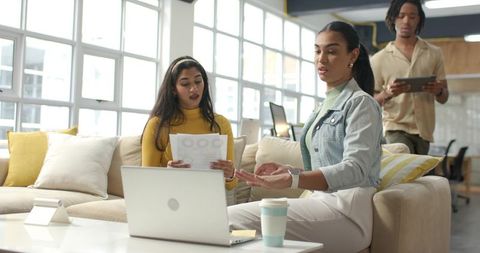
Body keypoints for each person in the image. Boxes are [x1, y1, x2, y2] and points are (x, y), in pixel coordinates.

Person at [228, 21, 382, 253]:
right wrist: (291, 171)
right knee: (237, 234)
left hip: (345, 212)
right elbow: (328, 165)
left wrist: (293, 180)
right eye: (318, 50)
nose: (321, 59)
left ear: (353, 55)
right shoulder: (324, 105)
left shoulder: (361, 103)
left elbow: (356, 169)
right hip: (319, 203)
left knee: (228, 220)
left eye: (331, 51)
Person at [141, 56, 237, 190]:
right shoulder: (157, 125)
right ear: (173, 89)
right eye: (185, 84)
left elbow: (231, 185)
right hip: (170, 199)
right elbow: (146, 180)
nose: (194, 89)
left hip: (208, 199)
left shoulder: (221, 123)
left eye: (198, 81)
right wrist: (166, 174)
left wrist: (230, 174)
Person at [371, 0, 449, 155]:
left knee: (418, 177)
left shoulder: (434, 53)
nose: (406, 21)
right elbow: (371, 103)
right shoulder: (379, 59)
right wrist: (388, 93)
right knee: (403, 173)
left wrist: (438, 91)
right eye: (401, 16)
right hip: (395, 128)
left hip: (424, 132)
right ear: (393, 18)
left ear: (419, 19)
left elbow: (444, 97)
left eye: (412, 16)